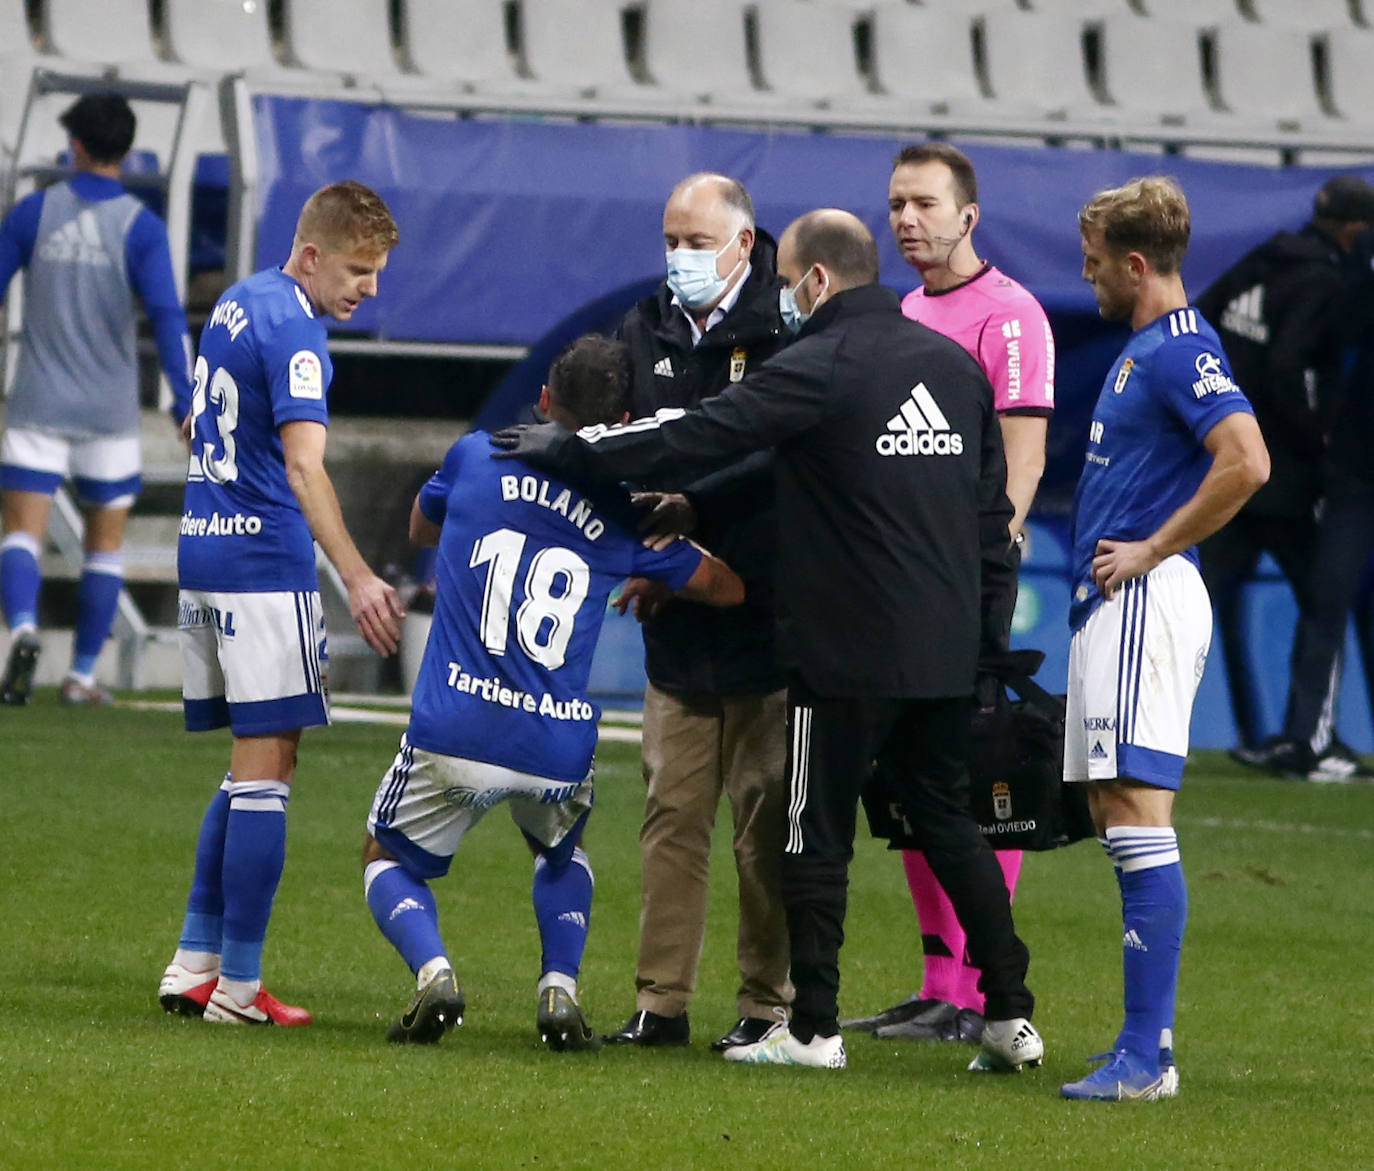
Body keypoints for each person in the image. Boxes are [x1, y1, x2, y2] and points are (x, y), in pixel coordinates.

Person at [494, 209, 1042, 1075]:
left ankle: (813, 1028)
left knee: (813, 836)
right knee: (951, 825)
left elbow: (702, 431)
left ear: (816, 280)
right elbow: (991, 520)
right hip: (942, 651)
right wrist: (987, 645)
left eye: (787, 284)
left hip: (844, 650)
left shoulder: (822, 362)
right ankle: (1011, 1015)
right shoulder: (954, 369)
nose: (783, 299)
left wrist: (574, 446)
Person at [361, 334, 745, 1049]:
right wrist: (657, 562)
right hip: (553, 739)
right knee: (562, 850)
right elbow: (727, 588)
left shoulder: (475, 455)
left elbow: (420, 526)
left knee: (384, 856)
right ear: (624, 422)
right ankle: (559, 988)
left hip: (457, 724)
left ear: (543, 398)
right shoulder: (624, 510)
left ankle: (434, 972)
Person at [157, 180, 406, 1027]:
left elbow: (195, 425)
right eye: (359, 270)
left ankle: (194, 961)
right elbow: (305, 467)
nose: (369, 288)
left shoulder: (237, 300)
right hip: (263, 565)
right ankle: (239, 987)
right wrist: (359, 576)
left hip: (203, 548)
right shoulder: (298, 330)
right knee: (269, 769)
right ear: (310, 255)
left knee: (246, 767)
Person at [843, 143, 1055, 1045]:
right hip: (900, 585)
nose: (906, 219)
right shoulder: (902, 312)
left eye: (924, 203)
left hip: (965, 582)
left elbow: (1021, 461)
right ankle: (938, 983)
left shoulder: (1011, 316)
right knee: (908, 775)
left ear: (968, 215)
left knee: (981, 771)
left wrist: (979, 569)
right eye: (897, 203)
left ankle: (976, 988)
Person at [1062, 177, 1269, 1101]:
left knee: (1139, 815)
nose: (1088, 276)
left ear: (1136, 264)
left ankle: (1145, 1056)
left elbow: (1248, 460)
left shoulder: (1182, 349)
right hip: (1112, 603)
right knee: (1117, 811)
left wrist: (1152, 547)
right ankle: (1150, 1048)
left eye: (1095, 263)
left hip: (1144, 598)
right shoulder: (1147, 347)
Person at [605, 172, 793, 1054]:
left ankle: (767, 1004)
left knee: (765, 829)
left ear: (743, 244)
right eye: (671, 241)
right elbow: (616, 449)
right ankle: (661, 1003)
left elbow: (781, 459)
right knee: (671, 820)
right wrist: (649, 556)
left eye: (696, 242)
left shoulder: (787, 328)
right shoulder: (642, 328)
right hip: (676, 622)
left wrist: (693, 514)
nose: (679, 257)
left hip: (769, 618)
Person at [0, 93, 194, 706]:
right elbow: (167, 317)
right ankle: (81, 675)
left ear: (75, 146)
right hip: (109, 411)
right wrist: (184, 400)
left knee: (20, 534)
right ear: (127, 152)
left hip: (38, 400)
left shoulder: (33, 213)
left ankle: (22, 630)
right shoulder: (142, 227)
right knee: (104, 547)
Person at [1193, 175, 1374, 780]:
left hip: (1225, 465)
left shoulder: (1263, 259)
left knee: (1192, 602)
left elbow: (1200, 322)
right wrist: (1316, 434)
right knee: (1325, 604)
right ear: (1354, 231)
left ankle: (1131, 724)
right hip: (1282, 476)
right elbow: (1291, 365)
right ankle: (1308, 741)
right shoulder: (1323, 278)